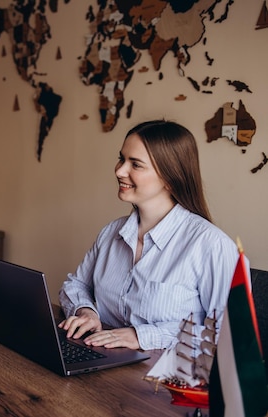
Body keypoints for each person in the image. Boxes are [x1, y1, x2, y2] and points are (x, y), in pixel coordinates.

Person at [59, 120, 238, 351]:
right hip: (103, 362)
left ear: (169, 176)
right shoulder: (111, 233)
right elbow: (76, 284)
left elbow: (225, 334)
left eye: (136, 164)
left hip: (170, 378)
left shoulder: (212, 245)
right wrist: (87, 312)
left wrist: (141, 336)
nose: (119, 170)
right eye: (122, 159)